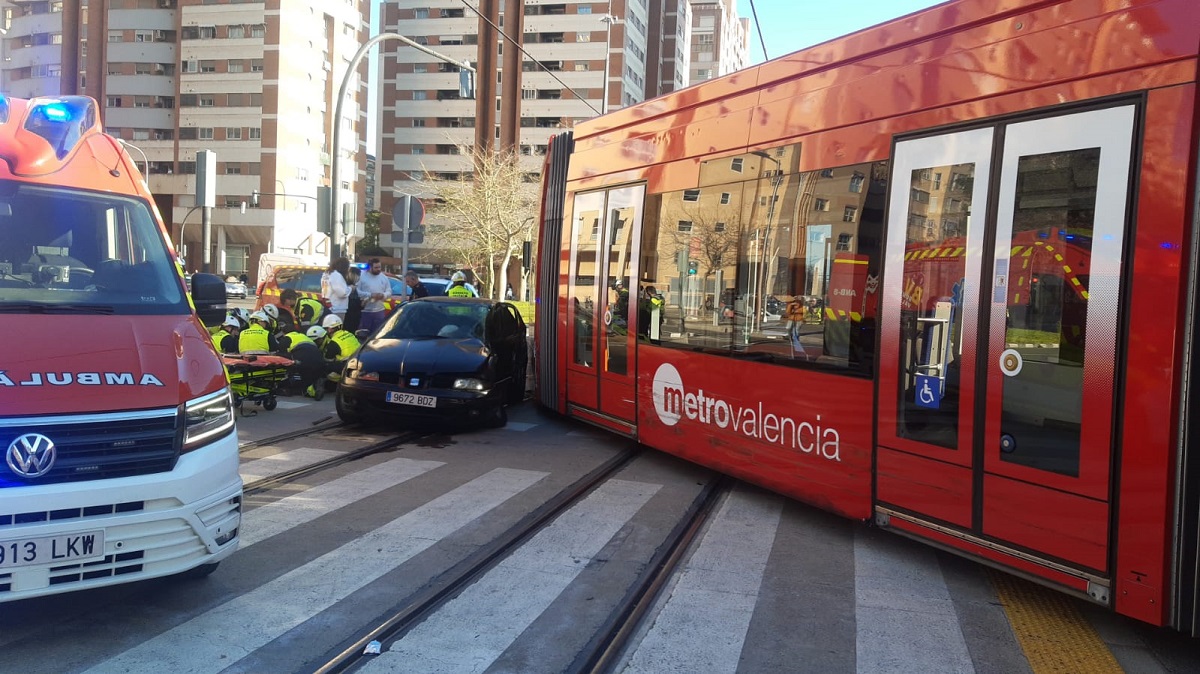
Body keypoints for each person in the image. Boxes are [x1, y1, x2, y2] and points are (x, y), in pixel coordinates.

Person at [277, 326, 325, 399]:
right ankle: (313, 386)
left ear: (284, 333)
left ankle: (293, 387)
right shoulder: (303, 336)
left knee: (282, 358)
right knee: (308, 379)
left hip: (303, 359)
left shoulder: (286, 338)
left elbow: (282, 358)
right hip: (319, 359)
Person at [318, 314, 361, 385]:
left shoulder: (333, 343)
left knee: (325, 366)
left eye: (326, 328)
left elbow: (328, 360)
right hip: (359, 363)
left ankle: (335, 384)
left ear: (330, 329)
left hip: (347, 367)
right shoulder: (349, 334)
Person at [356, 258, 392, 333]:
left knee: (378, 333)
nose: (378, 269)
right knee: (363, 334)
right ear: (370, 267)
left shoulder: (383, 277)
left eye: (379, 267)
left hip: (379, 311)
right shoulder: (362, 277)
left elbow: (389, 291)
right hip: (365, 311)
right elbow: (357, 291)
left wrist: (383, 295)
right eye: (376, 267)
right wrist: (370, 295)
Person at [344, 265, 363, 333]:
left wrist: (363, 303)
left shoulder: (353, 286)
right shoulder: (349, 287)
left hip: (354, 315)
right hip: (349, 316)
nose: (359, 278)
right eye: (358, 276)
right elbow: (352, 303)